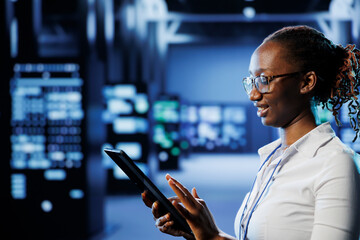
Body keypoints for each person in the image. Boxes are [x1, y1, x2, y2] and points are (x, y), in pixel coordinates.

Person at [142, 25, 360, 240]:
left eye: (264, 80)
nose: (253, 95)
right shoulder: (274, 157)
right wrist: (205, 232)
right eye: (251, 81)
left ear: (306, 82)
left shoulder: (335, 164)